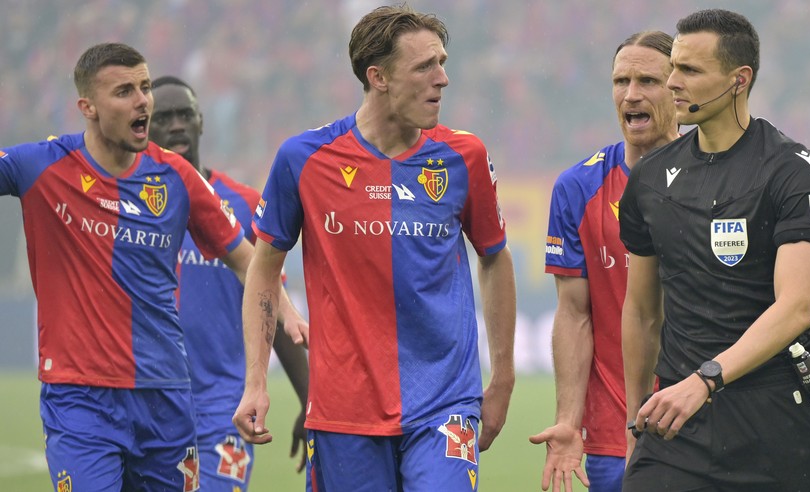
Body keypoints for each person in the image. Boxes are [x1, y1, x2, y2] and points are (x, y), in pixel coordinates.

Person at [232, 4, 517, 491]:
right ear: (378, 77)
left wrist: (503, 378)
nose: (443, 79)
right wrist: (256, 381)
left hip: (444, 401)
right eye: (424, 66)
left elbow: (494, 258)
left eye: (442, 62)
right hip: (343, 410)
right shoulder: (304, 159)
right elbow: (263, 267)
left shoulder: (463, 155)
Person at [0, 42, 265, 491]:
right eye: (124, 91)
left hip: (166, 396)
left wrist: (286, 325)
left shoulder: (176, 175)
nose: (142, 100)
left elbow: (251, 263)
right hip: (81, 398)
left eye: (144, 87)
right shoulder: (42, 165)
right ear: (87, 107)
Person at [620, 9, 810, 491]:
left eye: (690, 70)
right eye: (673, 68)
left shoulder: (790, 171)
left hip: (776, 425)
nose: (672, 82)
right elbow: (641, 312)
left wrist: (706, 380)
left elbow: (796, 306)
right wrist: (636, 418)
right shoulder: (650, 177)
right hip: (675, 430)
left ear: (739, 80)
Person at [529, 31, 678, 492]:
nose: (631, 94)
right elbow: (574, 313)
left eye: (647, 81)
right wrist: (568, 420)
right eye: (620, 81)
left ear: (677, 89)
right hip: (615, 431)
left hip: (705, 418)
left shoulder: (717, 180)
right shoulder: (578, 187)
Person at [149, 75, 311, 490]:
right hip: (150, 402)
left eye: (185, 114)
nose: (177, 125)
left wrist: (309, 400)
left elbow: (271, 304)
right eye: (163, 118)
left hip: (224, 406)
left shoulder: (243, 204)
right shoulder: (130, 205)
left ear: (201, 121)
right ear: (143, 126)